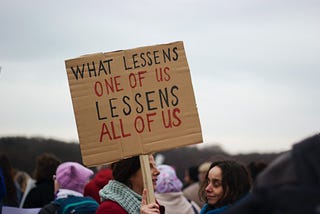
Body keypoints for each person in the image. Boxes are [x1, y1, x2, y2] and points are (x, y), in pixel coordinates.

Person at [224, 133, 320, 214]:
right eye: (208, 180)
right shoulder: (298, 163)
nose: (208, 188)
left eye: (217, 183)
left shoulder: (297, 166)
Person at [96, 154, 164, 214]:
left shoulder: (150, 201)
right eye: (149, 166)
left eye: (155, 165)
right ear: (130, 173)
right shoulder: (109, 210)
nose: (157, 172)